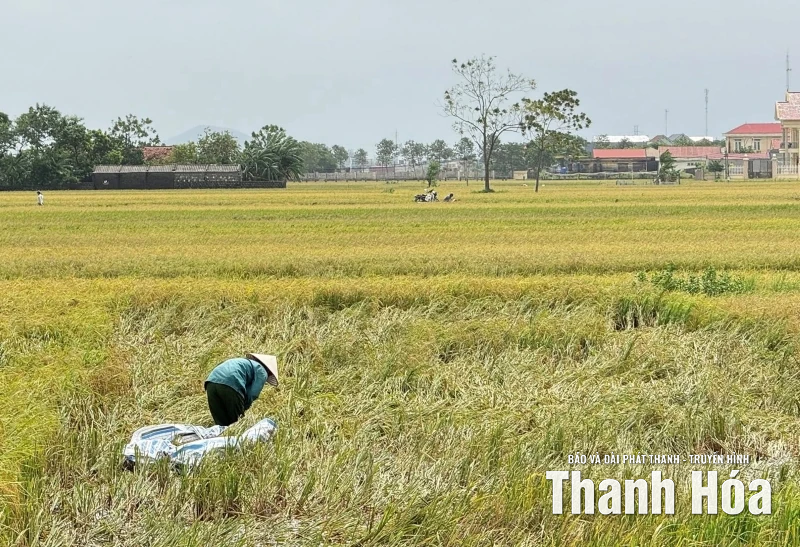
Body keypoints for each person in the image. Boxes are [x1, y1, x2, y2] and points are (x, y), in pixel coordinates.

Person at [204, 353, 278, 426]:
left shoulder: (243, 362)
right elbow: (253, 393)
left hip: (211, 382)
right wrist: (243, 407)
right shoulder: (262, 370)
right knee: (237, 423)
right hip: (232, 383)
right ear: (269, 372)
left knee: (220, 424)